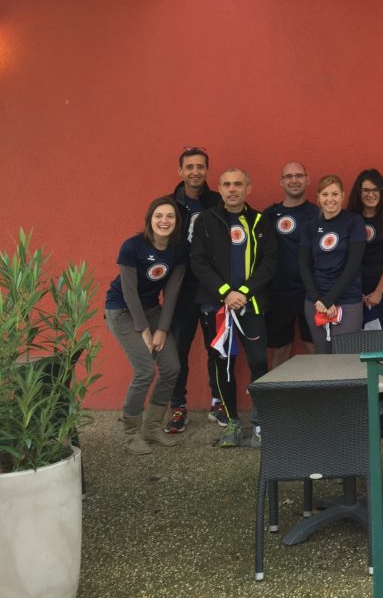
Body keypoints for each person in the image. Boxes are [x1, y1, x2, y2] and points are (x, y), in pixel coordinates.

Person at [191, 168, 278, 448]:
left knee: (257, 362)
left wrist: (243, 292)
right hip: (217, 307)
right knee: (223, 365)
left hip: (250, 305)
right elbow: (198, 262)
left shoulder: (260, 221)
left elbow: (269, 263)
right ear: (219, 188)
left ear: (248, 188)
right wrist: (225, 292)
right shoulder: (206, 220)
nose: (232, 189)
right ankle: (231, 421)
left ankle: (261, 420)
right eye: (227, 184)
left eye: (238, 184)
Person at [105, 196, 188, 454]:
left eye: (170, 216)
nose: (164, 221)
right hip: (121, 310)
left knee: (172, 367)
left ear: (177, 222)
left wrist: (162, 328)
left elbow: (172, 292)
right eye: (158, 216)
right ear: (150, 219)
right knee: (144, 371)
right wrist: (144, 330)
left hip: (152, 309)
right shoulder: (132, 247)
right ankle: (131, 434)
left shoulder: (179, 249)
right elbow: (129, 293)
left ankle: (152, 429)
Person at [164, 146, 221, 434]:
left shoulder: (217, 201)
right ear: (181, 171)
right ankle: (178, 407)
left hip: (211, 286)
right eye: (190, 167)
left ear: (207, 171)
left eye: (200, 167)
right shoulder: (168, 205)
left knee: (217, 347)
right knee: (178, 349)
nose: (195, 172)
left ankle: (219, 401)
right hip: (181, 287)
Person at [300, 174, 367, 352]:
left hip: (347, 300)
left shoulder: (354, 222)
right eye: (325, 194)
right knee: (324, 359)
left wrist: (330, 299)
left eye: (335, 194)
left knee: (345, 360)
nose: (330, 199)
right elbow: (304, 265)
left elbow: (353, 265)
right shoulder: (310, 227)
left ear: (343, 196)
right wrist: (318, 300)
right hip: (316, 302)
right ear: (318, 197)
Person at [263, 161, 319, 369]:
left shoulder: (318, 214)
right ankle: (277, 399)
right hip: (279, 292)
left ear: (307, 180)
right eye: (288, 176)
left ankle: (321, 396)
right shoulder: (269, 215)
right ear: (281, 182)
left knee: (314, 346)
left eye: (299, 175)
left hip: (311, 292)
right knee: (280, 349)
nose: (294, 180)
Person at [350, 168, 383, 330]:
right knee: (353, 344)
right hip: (353, 290)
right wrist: (354, 291)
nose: (370, 194)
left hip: (382, 290)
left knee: (380, 344)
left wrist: (379, 291)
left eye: (375, 190)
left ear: (382, 191)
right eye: (365, 190)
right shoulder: (350, 218)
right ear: (358, 193)